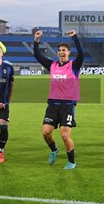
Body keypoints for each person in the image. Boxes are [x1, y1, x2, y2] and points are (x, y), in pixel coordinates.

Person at [34, 30, 84, 170]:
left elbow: (81, 53)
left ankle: (71, 162)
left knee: (64, 134)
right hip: (53, 104)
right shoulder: (52, 65)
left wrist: (74, 37)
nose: (61, 52)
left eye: (64, 50)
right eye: (60, 50)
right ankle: (54, 149)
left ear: (68, 53)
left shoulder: (74, 65)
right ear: (57, 53)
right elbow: (38, 56)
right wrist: (36, 41)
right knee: (46, 132)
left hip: (67, 104)